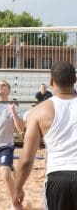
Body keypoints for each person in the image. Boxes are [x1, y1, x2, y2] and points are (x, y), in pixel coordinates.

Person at [12, 62, 77, 210]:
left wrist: (17, 189)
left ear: (51, 81)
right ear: (75, 80)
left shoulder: (38, 111)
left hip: (58, 178)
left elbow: (27, 159)